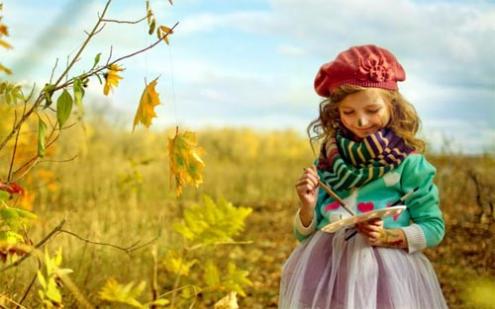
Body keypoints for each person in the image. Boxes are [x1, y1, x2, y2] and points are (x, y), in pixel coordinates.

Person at [279, 45, 448, 309]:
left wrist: (390, 236)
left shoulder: (409, 163)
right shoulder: (327, 161)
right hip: (326, 270)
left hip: (386, 277)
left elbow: (434, 228)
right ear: (336, 113)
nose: (360, 121)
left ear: (393, 106)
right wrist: (307, 207)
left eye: (372, 110)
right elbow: (304, 236)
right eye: (349, 112)